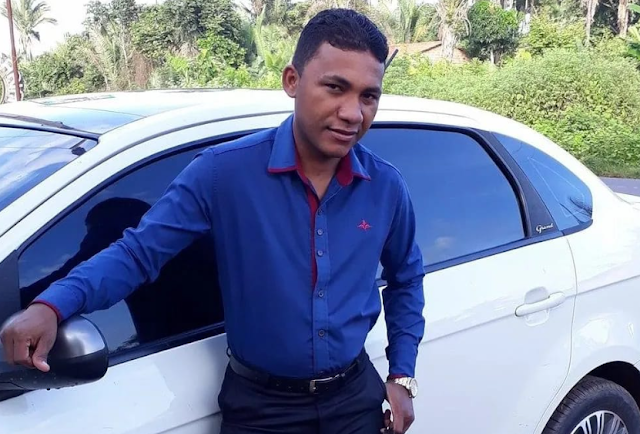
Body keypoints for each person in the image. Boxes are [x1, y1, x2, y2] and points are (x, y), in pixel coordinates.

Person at [0, 8, 425, 434]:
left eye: (368, 96)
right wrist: (52, 305)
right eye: (335, 88)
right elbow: (137, 254)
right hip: (262, 412)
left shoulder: (385, 187)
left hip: (355, 401)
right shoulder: (223, 174)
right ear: (292, 81)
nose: (353, 113)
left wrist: (402, 375)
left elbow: (406, 278)